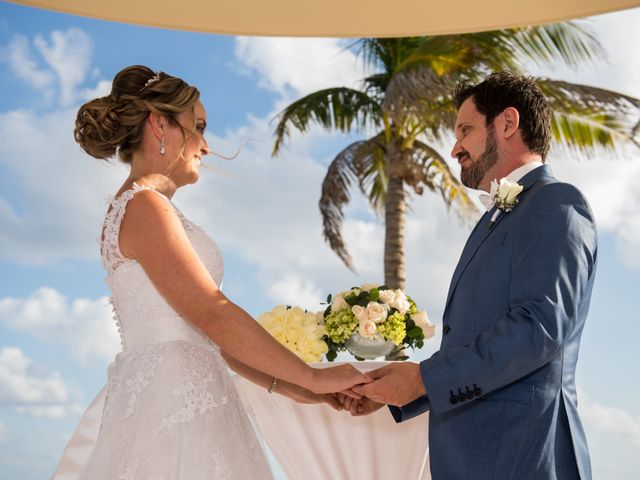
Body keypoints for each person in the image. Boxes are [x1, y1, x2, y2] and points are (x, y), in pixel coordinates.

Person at [51, 65, 366, 480]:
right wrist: (308, 373)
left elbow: (210, 338)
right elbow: (213, 312)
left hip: (190, 393)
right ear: (159, 124)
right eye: (198, 127)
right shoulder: (145, 207)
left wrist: (305, 389)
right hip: (173, 409)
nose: (206, 146)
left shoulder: (145, 207)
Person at [346, 72, 597, 479]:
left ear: (508, 124)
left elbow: (538, 329)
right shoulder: (498, 218)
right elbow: (475, 340)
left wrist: (422, 381)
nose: (455, 147)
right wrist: (399, 390)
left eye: (465, 129)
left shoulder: (556, 203)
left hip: (524, 455)